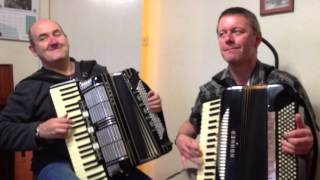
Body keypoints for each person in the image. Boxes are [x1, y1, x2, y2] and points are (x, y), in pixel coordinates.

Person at [0, 19, 162, 180]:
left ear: (66, 39)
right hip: (56, 163)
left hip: (108, 159)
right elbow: (3, 130)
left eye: (57, 34)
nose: (53, 41)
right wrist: (39, 130)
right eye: (43, 38)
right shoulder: (30, 87)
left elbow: (120, 113)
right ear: (33, 50)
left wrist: (148, 107)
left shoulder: (96, 72)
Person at [175, 7, 319, 179]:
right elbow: (188, 128)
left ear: (257, 39)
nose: (227, 39)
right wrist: (180, 139)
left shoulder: (285, 84)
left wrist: (309, 144)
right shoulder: (211, 90)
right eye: (222, 34)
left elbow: (315, 136)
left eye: (237, 31)